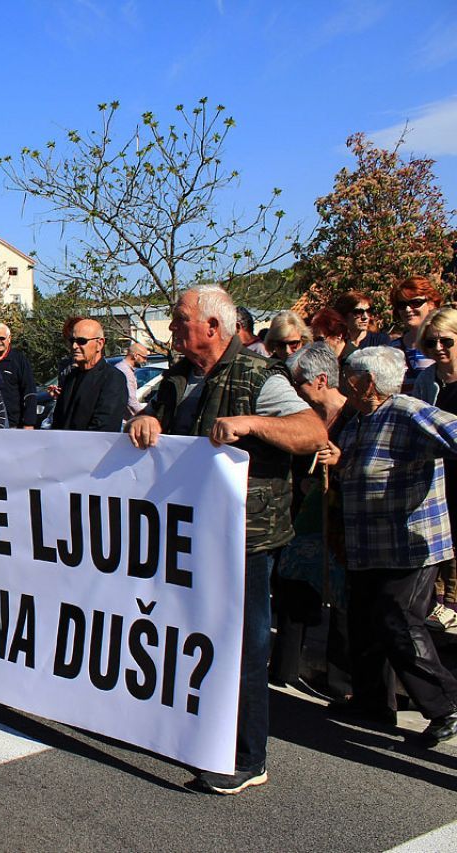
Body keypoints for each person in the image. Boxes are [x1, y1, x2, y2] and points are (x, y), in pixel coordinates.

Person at [129, 284, 326, 795]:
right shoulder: (177, 378)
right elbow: (152, 424)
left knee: (243, 644)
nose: (171, 329)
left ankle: (247, 755)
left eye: (179, 320)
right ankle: (196, 731)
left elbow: (312, 433)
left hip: (245, 539)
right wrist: (146, 419)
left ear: (212, 327)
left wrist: (252, 425)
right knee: (188, 636)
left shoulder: (259, 375)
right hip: (187, 533)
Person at [321, 346, 457, 748]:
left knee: (399, 620)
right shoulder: (361, 419)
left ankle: (445, 705)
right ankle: (372, 702)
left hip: (409, 545)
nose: (344, 381)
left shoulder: (407, 411)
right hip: (367, 544)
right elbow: (358, 465)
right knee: (364, 622)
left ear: (367, 382)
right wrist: (339, 458)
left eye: (349, 375)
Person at [271, 343, 354, 702]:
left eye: (299, 382)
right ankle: (284, 668)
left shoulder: (354, 416)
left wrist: (340, 464)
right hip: (306, 516)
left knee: (343, 599)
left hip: (343, 519)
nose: (294, 389)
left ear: (321, 380)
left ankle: (341, 683)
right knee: (293, 583)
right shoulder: (303, 415)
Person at [410, 307, 457, 633]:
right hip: (437, 473)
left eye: (447, 341)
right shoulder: (428, 380)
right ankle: (443, 607)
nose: (438, 348)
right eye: (431, 342)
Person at [51, 318, 126, 432]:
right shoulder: (70, 377)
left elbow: (105, 425)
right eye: (72, 341)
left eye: (82, 341)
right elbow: (58, 420)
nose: (75, 346)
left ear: (99, 344)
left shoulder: (112, 378)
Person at [387, 275, 442, 395]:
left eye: (416, 302)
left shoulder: (444, 344)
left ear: (431, 304)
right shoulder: (391, 349)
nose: (407, 309)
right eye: (402, 305)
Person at [0, 322, 37, 429]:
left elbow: (29, 391)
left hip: (13, 424)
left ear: (9, 339)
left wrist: (29, 423)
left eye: (2, 338)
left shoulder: (19, 360)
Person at [114, 341, 150, 419]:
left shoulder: (123, 368)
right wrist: (147, 417)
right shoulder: (125, 371)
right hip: (121, 420)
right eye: (144, 357)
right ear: (136, 356)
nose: (145, 361)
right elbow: (130, 400)